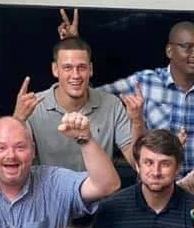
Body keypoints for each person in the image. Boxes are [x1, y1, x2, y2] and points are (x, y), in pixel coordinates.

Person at [97, 20, 194, 174]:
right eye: (187, 47)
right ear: (169, 51)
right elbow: (94, 95)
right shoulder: (145, 82)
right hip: (155, 186)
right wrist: (74, 45)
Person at [13, 37, 143, 173]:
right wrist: (18, 118)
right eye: (67, 68)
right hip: (49, 193)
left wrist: (137, 121)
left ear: (91, 69)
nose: (75, 75)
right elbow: (13, 163)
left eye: (82, 67)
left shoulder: (112, 104)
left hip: (99, 192)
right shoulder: (33, 106)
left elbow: (137, 163)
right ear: (55, 70)